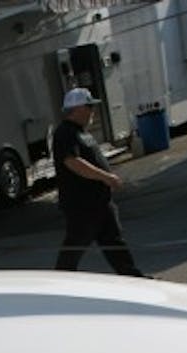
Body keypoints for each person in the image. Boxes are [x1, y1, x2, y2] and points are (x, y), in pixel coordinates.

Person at [52, 87, 147, 278]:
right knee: (76, 243)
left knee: (114, 242)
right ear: (78, 108)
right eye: (89, 107)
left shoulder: (82, 132)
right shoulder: (65, 133)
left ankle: (133, 278)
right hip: (82, 205)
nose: (92, 111)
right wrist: (106, 177)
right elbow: (73, 162)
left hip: (100, 202)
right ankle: (60, 281)